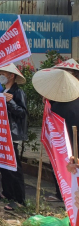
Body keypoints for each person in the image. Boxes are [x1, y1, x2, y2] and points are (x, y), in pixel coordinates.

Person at [31, 68, 79, 203]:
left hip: (65, 144)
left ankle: (62, 194)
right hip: (73, 141)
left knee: (62, 166)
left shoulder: (58, 107)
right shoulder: (71, 101)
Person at [0, 63, 29, 211]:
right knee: (4, 166)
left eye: (2, 73)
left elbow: (22, 113)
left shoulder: (18, 93)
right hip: (1, 134)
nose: (0, 75)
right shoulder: (3, 90)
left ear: (11, 76)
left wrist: (10, 101)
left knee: (14, 167)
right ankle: (7, 192)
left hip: (12, 135)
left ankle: (19, 199)